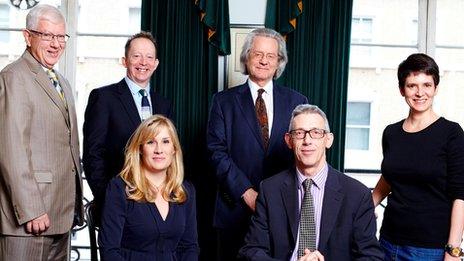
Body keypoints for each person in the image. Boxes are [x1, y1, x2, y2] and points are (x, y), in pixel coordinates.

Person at [207, 28, 308, 260]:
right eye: (257, 54)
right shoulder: (223, 102)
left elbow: (304, 151)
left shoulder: (297, 102)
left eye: (270, 56)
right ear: (246, 57)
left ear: (279, 61)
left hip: (283, 209)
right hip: (234, 209)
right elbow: (216, 153)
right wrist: (246, 192)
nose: (264, 61)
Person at [239, 104, 384, 260]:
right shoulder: (269, 190)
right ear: (289, 140)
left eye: (316, 132)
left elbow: (371, 256)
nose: (307, 140)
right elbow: (251, 251)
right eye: (299, 133)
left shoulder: (357, 194)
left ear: (328, 140)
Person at [0, 4, 83, 260]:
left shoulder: (62, 82)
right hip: (28, 221)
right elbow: (11, 149)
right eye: (47, 35)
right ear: (28, 36)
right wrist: (32, 209)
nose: (56, 44)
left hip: (60, 215)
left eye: (61, 36)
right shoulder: (13, 77)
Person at [372, 53, 464, 260]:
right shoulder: (391, 133)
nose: (420, 92)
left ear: (436, 88)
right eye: (412, 85)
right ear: (401, 90)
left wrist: (453, 249)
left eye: (427, 85)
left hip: (430, 248)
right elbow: (392, 176)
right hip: (387, 241)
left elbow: (461, 195)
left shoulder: (452, 133)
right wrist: (368, 205)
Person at [83, 31, 173, 223]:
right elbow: (93, 155)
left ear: (156, 64)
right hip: (118, 205)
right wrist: (108, 199)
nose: (143, 62)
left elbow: (168, 153)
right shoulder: (104, 98)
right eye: (136, 56)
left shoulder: (163, 104)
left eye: (149, 57)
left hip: (157, 204)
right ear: (125, 61)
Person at [98, 115, 199, 260]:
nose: (159, 150)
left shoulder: (185, 191)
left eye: (165, 142)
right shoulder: (119, 189)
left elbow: (189, 247)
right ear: (140, 149)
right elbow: (109, 251)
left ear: (174, 150)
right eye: (151, 142)